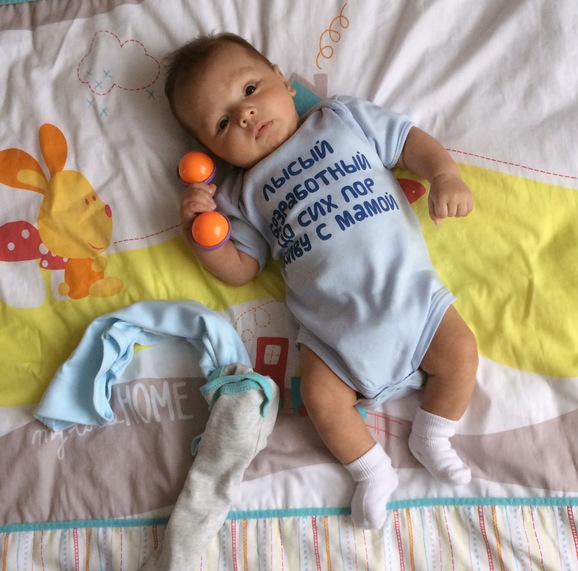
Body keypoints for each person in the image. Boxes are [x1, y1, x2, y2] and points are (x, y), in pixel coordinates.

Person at [165, 33, 478, 529]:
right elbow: (242, 269)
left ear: (281, 80)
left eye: (249, 89)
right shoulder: (242, 193)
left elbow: (406, 141)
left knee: (460, 352)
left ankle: (433, 435)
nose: (245, 115)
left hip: (409, 296)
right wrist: (204, 240)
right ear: (211, 150)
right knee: (321, 399)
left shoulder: (341, 118)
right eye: (222, 123)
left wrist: (444, 175)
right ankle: (372, 472)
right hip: (332, 331)